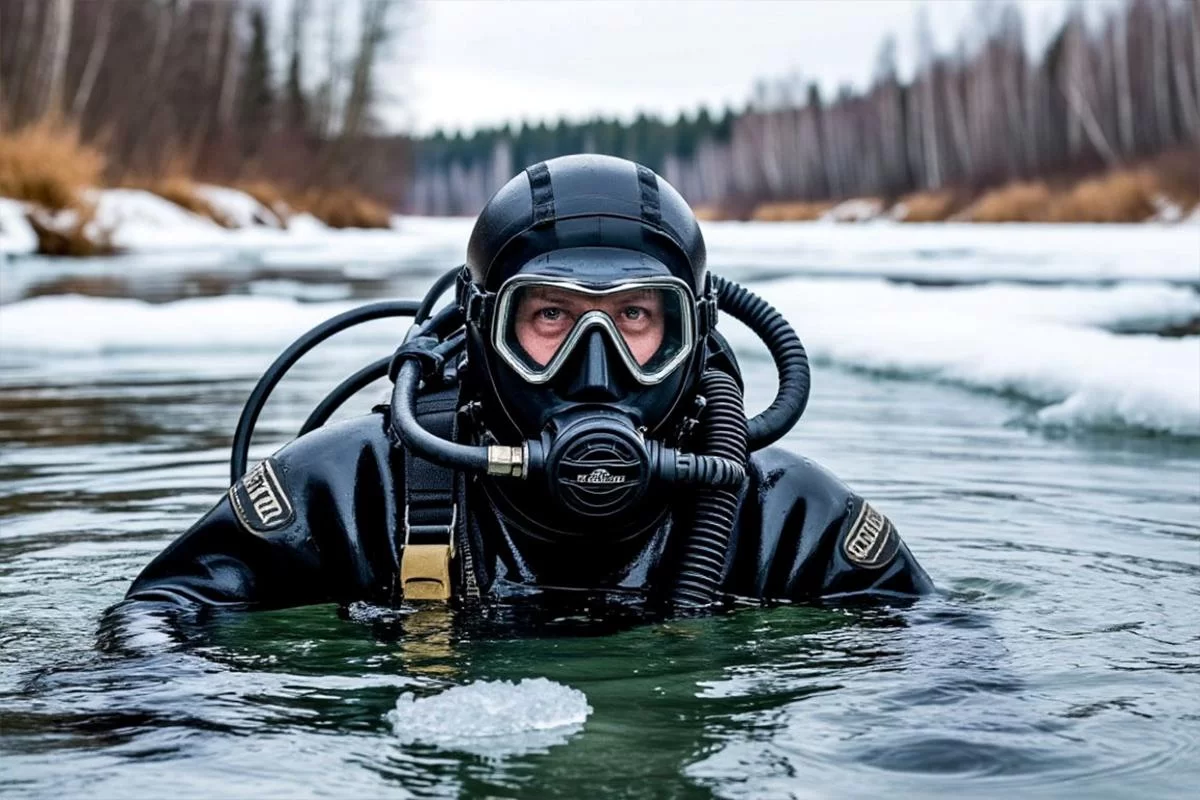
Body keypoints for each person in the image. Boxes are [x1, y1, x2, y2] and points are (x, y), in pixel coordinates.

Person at [126, 155, 932, 613]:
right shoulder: (361, 484)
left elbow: (946, 668)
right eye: (549, 317)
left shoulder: (780, 515)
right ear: (483, 327)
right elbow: (155, 623)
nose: (594, 362)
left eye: (637, 319)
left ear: (694, 336)